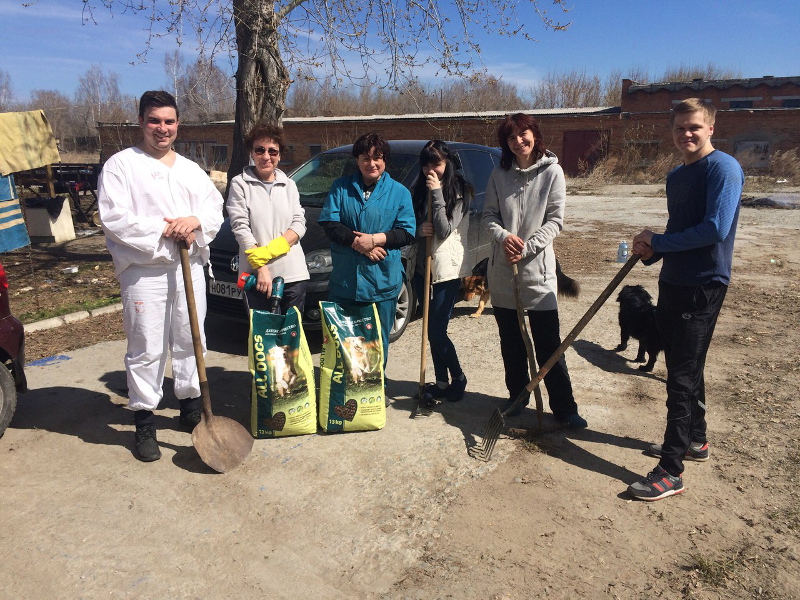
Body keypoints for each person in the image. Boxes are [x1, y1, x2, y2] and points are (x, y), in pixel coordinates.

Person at [627, 99, 744, 501]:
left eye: (694, 127)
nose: (686, 134)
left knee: (680, 378)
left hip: (703, 284)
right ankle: (696, 441)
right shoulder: (677, 175)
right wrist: (653, 251)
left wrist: (659, 241)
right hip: (672, 281)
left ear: (710, 127)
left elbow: (714, 229)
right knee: (685, 367)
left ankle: (671, 470)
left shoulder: (723, 168)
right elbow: (681, 228)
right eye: (679, 128)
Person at [98, 91, 223, 462]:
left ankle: (189, 405)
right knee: (147, 346)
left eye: (169, 121)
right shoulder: (121, 166)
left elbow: (213, 208)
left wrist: (195, 222)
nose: (162, 129)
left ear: (177, 124)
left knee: (189, 338)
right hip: (144, 271)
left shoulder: (188, 169)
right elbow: (115, 218)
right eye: (154, 121)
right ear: (141, 122)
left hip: (189, 267)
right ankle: (144, 420)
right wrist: (165, 229)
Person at [482, 113, 587, 429]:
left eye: (523, 134)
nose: (518, 142)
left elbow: (555, 220)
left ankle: (565, 407)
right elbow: (488, 216)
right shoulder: (499, 175)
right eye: (511, 138)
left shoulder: (553, 172)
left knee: (548, 344)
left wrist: (526, 246)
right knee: (511, 342)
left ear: (534, 135)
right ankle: (517, 397)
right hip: (503, 272)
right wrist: (504, 237)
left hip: (538, 273)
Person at [319, 132, 416, 365]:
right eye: (365, 158)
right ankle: (344, 397)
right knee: (345, 343)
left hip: (381, 281)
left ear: (385, 161)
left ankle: (373, 395)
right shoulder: (341, 188)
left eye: (377, 158)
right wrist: (360, 245)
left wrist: (375, 240)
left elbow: (406, 232)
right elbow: (330, 224)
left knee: (376, 344)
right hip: (346, 281)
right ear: (357, 160)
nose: (371, 163)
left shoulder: (399, 192)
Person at [410, 140, 473, 404]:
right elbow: (411, 225)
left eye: (436, 164)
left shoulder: (460, 190)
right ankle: (441, 381)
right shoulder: (418, 189)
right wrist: (417, 230)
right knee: (430, 329)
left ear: (447, 163)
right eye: (426, 165)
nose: (430, 170)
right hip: (424, 268)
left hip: (447, 269)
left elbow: (444, 229)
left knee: (437, 330)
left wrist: (436, 192)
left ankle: (458, 378)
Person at [226, 123, 309, 314]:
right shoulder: (240, 184)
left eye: (273, 151)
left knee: (291, 340)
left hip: (294, 273)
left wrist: (272, 249)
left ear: (279, 155)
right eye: (260, 150)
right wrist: (261, 267)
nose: (266, 156)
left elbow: (299, 223)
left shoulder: (289, 185)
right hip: (258, 277)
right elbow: (240, 227)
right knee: (263, 340)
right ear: (251, 153)